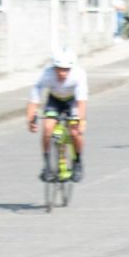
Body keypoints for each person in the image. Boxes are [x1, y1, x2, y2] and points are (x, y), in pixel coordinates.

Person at [26, 50, 88, 182]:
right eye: (59, 69)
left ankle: (77, 162)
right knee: (48, 128)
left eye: (66, 70)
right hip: (54, 100)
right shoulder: (47, 75)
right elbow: (34, 98)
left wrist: (80, 121)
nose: (62, 73)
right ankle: (47, 165)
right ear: (54, 67)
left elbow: (81, 101)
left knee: (75, 132)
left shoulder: (78, 75)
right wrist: (31, 120)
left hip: (72, 102)